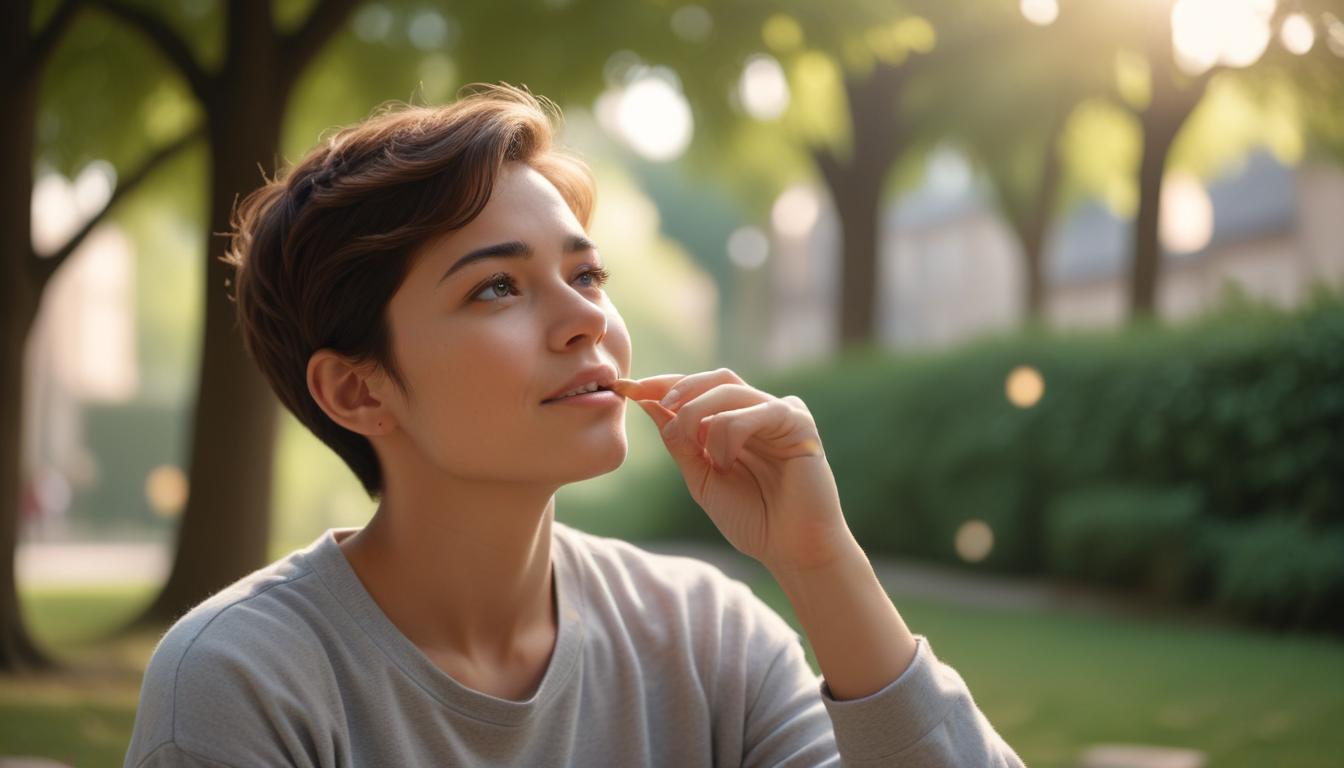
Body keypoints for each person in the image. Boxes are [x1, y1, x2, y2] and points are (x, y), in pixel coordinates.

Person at [123, 83, 1025, 767]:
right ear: (359, 393)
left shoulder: (707, 640)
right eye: (497, 287)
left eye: (586, 276)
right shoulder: (242, 679)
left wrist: (822, 565)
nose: (585, 318)